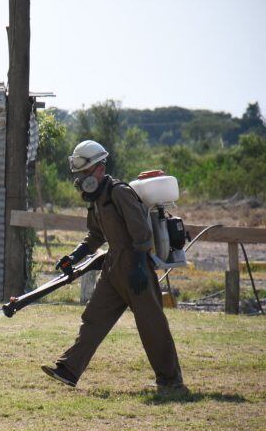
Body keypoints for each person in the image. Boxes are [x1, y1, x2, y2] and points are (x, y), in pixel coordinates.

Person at [41, 140, 184, 389]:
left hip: (135, 265)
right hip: (113, 267)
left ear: (99, 168)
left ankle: (171, 382)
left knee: (152, 326)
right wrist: (74, 256)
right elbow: (95, 236)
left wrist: (140, 266)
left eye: (85, 172)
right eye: (80, 174)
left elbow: (142, 233)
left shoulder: (120, 192)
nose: (83, 178)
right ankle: (69, 370)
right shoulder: (96, 199)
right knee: (94, 318)